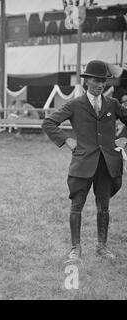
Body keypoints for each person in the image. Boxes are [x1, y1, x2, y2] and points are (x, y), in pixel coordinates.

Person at [42, 60, 127, 262]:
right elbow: (49, 122)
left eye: (103, 81)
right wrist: (66, 140)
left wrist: (124, 140)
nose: (100, 85)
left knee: (104, 208)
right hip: (83, 164)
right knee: (76, 207)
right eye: (96, 80)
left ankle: (102, 247)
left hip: (107, 164)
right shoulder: (75, 104)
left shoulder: (112, 104)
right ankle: (75, 249)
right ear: (86, 81)